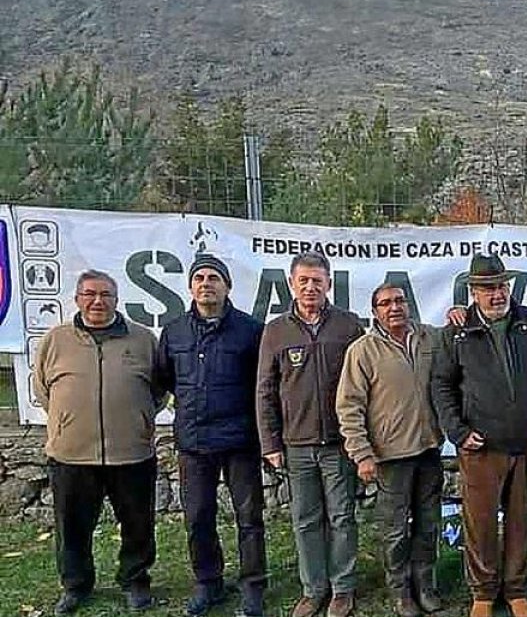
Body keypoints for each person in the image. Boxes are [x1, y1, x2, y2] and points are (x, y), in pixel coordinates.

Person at [432, 254, 527, 617]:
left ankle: (516, 588)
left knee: (520, 520)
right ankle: (484, 593)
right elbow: (441, 385)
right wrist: (458, 432)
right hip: (480, 448)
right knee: (481, 523)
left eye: (501, 286)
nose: (497, 294)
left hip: (523, 443)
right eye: (488, 288)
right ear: (473, 292)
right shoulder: (456, 332)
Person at [32, 270, 166, 615]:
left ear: (116, 300)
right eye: (89, 294)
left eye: (105, 295)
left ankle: (135, 580)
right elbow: (43, 389)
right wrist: (68, 421)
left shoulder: (143, 340)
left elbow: (159, 390)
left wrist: (136, 420)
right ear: (77, 299)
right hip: (72, 455)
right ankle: (76, 585)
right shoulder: (55, 339)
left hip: (131, 452)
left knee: (137, 524)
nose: (97, 301)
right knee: (72, 526)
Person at [257, 252, 364, 617]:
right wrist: (270, 444)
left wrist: (361, 441)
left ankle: (343, 589)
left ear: (329, 284)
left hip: (339, 444)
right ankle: (313, 589)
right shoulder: (275, 331)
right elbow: (265, 390)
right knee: (305, 520)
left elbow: (366, 385)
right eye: (303, 280)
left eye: (317, 280)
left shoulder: (349, 326)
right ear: (291, 284)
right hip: (296, 445)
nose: (310, 287)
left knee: (342, 518)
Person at [159, 256, 266, 616]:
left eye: (215, 278)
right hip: (194, 442)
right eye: (200, 278)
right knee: (198, 517)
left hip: (240, 440)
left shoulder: (251, 330)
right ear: (190, 287)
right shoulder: (174, 332)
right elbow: (166, 379)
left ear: (227, 286)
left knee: (249, 517)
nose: (207, 284)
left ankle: (253, 585)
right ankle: (209, 582)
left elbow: (262, 385)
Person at [336, 283, 444, 617]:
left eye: (399, 301)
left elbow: (464, 339)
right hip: (390, 456)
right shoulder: (362, 350)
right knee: (395, 530)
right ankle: (400, 591)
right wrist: (361, 453)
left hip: (428, 450)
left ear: (408, 305)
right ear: (376, 312)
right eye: (385, 303)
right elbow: (348, 405)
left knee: (428, 525)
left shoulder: (430, 339)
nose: (394, 307)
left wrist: (459, 314)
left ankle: (424, 586)